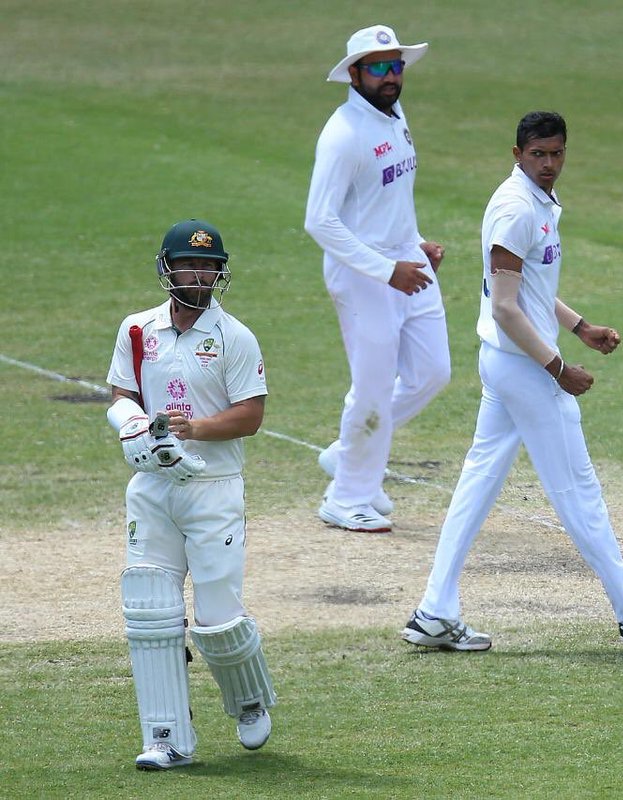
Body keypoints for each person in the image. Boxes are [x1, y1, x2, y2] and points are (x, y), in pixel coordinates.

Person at [402, 112, 623, 651]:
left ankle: (434, 610)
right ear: (516, 153)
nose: (549, 164)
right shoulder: (517, 210)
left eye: (557, 154)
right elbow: (504, 308)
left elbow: (532, 292)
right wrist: (558, 368)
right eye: (539, 154)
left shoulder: (534, 204)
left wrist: (580, 326)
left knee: (479, 483)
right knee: (577, 489)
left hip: (511, 363)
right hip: (522, 367)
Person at [106, 219, 276, 770]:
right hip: (153, 488)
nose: (199, 274)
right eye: (189, 264)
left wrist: (193, 430)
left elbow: (251, 416)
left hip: (212, 489)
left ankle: (248, 700)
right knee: (151, 614)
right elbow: (122, 393)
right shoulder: (137, 329)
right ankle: (167, 737)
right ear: (168, 268)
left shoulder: (235, 337)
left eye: (209, 265)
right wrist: (135, 427)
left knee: (216, 619)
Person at [304, 23, 450, 533]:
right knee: (371, 386)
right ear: (354, 73)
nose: (391, 77)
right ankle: (347, 497)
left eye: (396, 66)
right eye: (379, 67)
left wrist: (418, 241)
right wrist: (387, 270)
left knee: (433, 373)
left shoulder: (394, 115)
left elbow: (387, 199)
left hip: (406, 260)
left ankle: (347, 454)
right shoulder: (344, 134)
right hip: (365, 275)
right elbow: (319, 221)